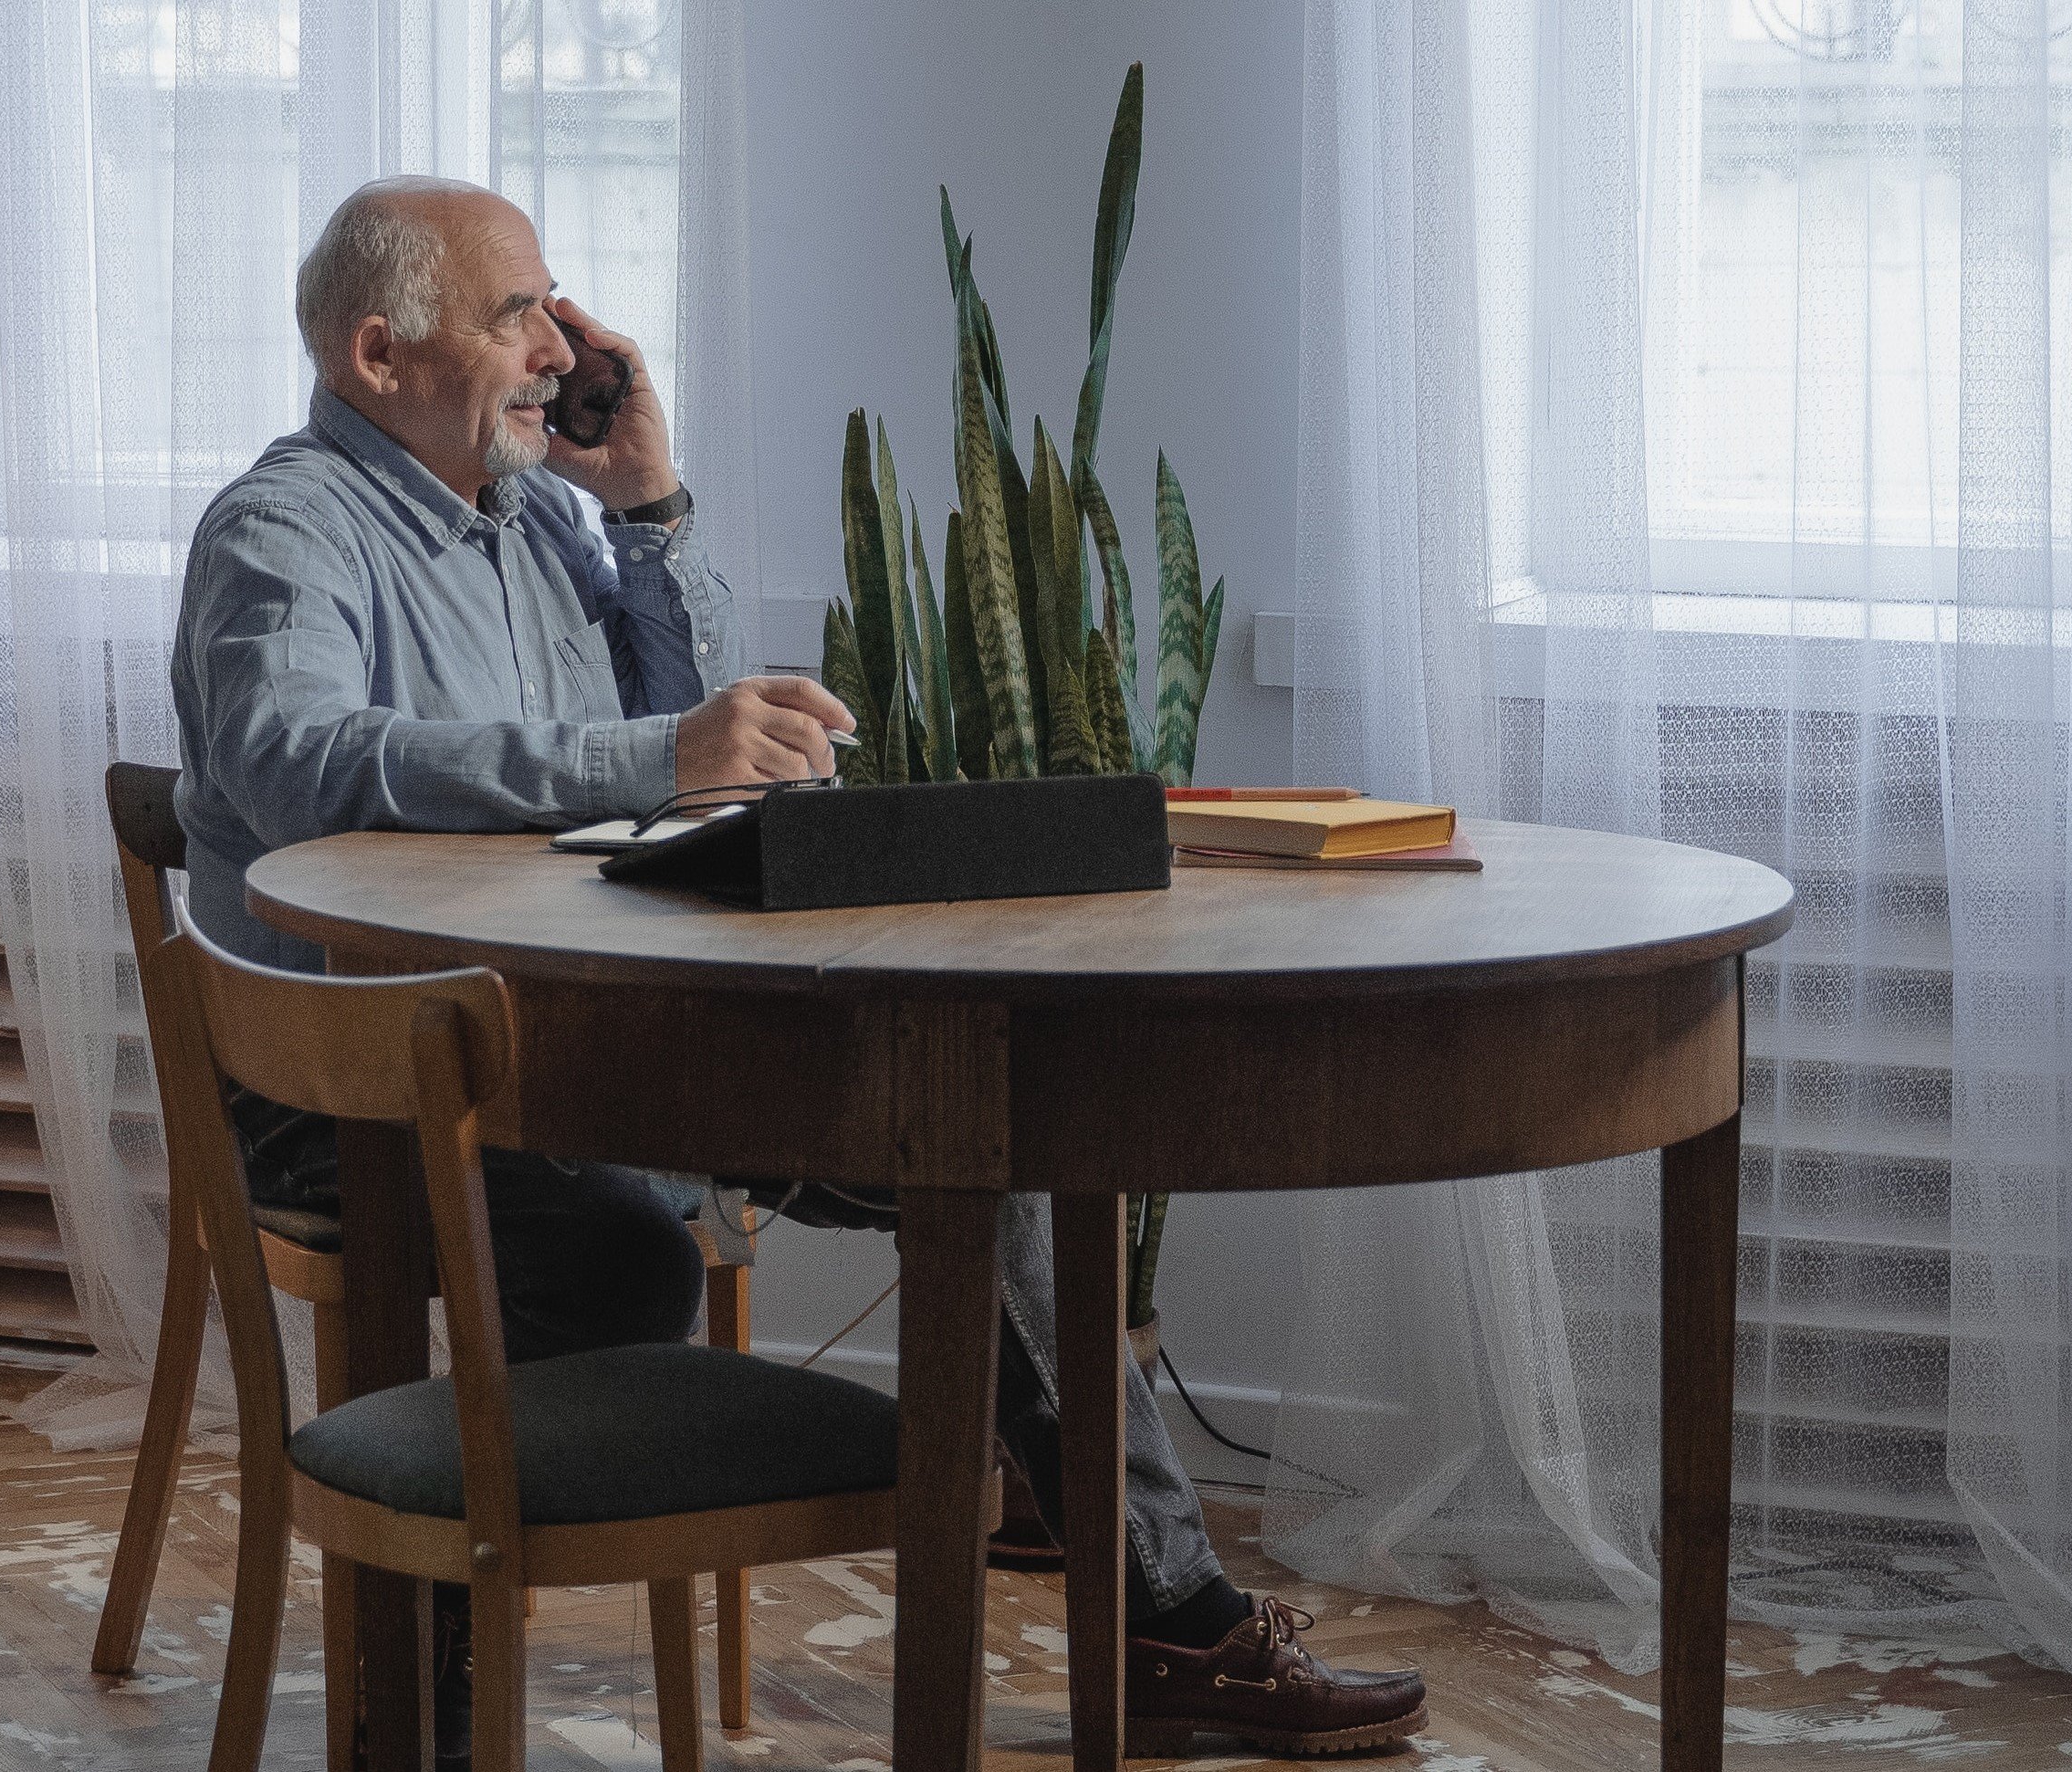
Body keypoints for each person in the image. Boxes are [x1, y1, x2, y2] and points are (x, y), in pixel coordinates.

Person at [171, 173, 1426, 1763]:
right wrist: (650, 746)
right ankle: (427, 1668)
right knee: (621, 1255)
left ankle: (1166, 1622)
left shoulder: (537, 523)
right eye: (518, 313)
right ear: (377, 353)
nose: (558, 345)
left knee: (992, 1155)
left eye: (557, 306)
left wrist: (650, 508)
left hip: (592, 1036)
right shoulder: (285, 529)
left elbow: (680, 737)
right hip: (364, 1079)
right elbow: (294, 759)